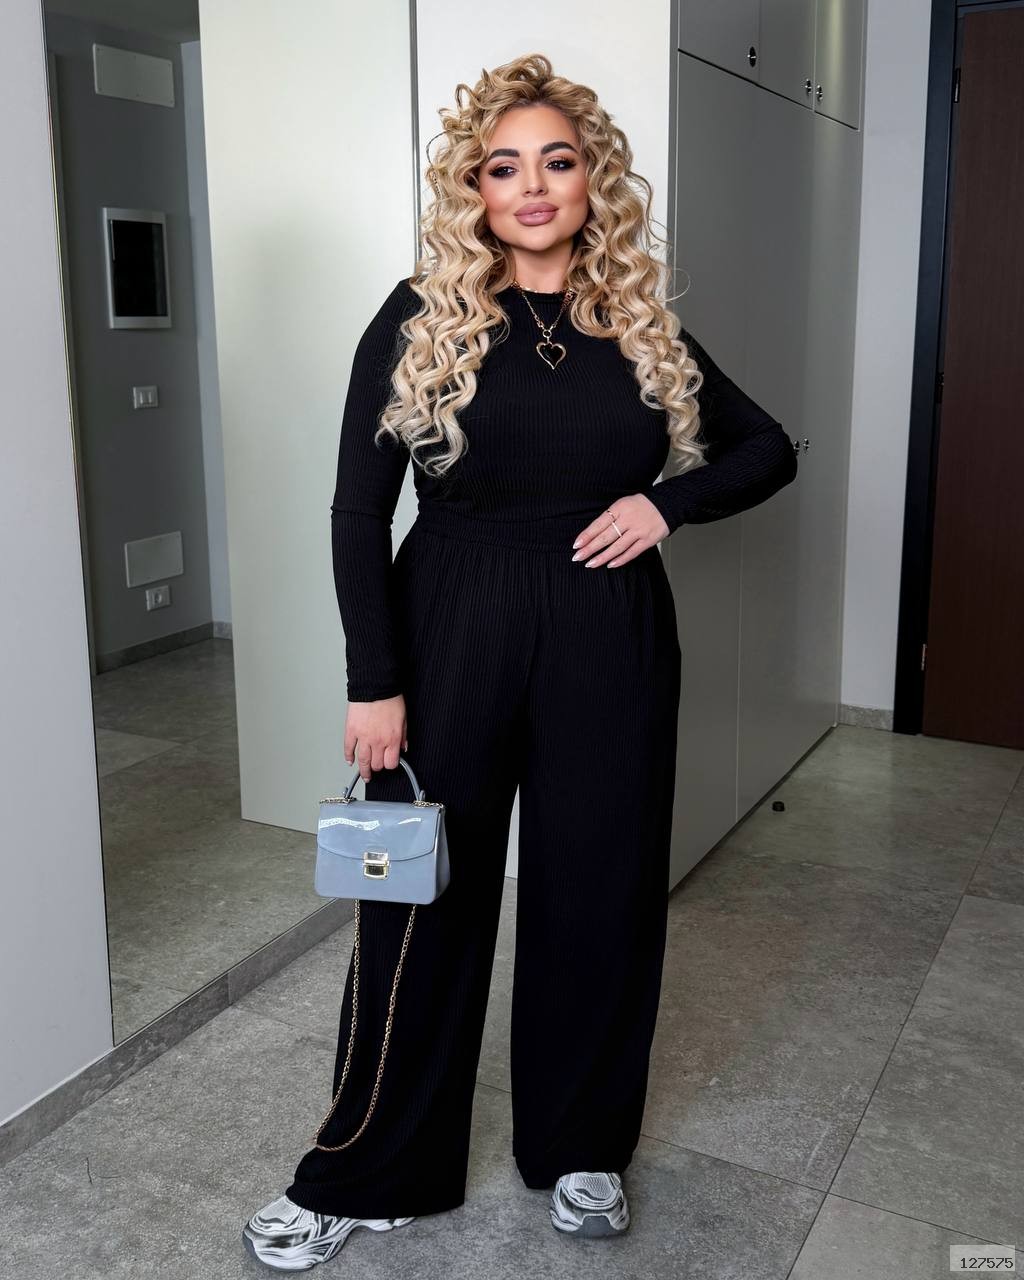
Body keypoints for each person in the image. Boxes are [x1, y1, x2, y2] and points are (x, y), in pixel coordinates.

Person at [242, 52, 797, 1272]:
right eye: (504, 167)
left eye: (557, 161)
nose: (533, 187)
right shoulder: (418, 314)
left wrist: (665, 504)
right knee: (417, 903)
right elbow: (356, 511)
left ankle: (582, 1145)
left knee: (598, 890)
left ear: (593, 179)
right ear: (474, 190)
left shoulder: (638, 321)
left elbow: (768, 448)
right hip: (451, 625)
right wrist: (373, 678)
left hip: (610, 633)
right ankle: (369, 1167)